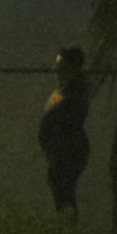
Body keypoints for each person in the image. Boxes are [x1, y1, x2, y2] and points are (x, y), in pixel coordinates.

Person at [38, 46, 94, 217]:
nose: (56, 70)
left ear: (72, 68)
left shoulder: (75, 95)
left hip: (67, 152)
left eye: (61, 66)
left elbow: (60, 121)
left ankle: (68, 228)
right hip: (59, 151)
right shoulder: (63, 93)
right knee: (61, 195)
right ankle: (66, 226)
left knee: (65, 196)